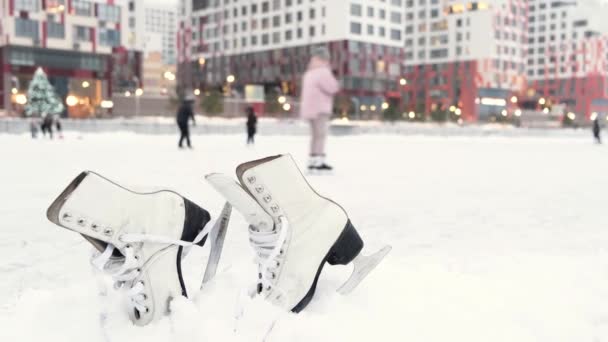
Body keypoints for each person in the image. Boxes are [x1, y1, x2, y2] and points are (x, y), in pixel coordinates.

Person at [300, 46, 340, 171]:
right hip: (320, 109)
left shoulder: (309, 72)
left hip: (309, 109)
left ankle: (312, 160)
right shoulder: (323, 71)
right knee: (321, 135)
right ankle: (318, 161)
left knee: (314, 135)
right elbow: (332, 88)